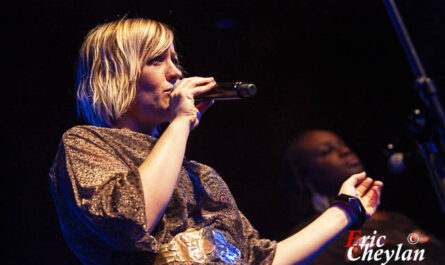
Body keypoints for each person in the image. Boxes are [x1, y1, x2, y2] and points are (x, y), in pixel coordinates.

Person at [48, 18, 383, 265]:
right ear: (115, 75)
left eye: (175, 60)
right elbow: (130, 218)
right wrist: (181, 122)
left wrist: (347, 209)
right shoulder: (87, 143)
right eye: (156, 60)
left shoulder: (201, 176)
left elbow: (260, 260)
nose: (176, 73)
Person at [280, 129, 445, 264]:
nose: (345, 150)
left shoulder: (396, 219)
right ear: (307, 177)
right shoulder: (310, 236)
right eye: (326, 151)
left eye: (342, 144)